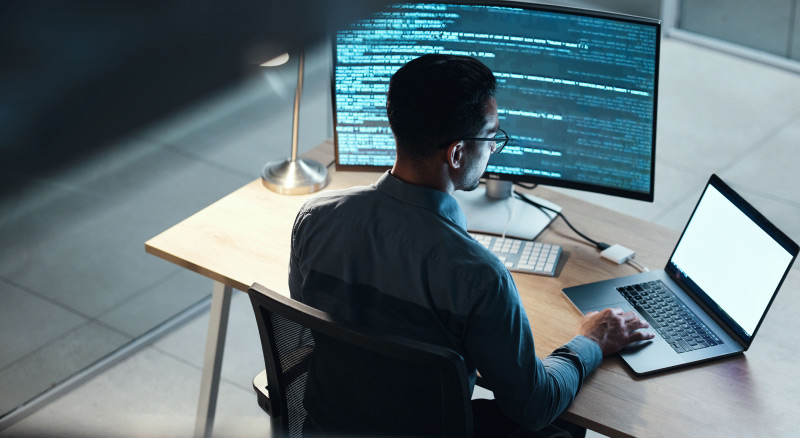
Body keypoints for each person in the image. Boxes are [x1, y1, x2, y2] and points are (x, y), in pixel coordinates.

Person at [288, 54, 654, 437]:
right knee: (560, 421)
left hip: (328, 426)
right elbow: (534, 405)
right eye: (492, 136)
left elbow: (311, 320)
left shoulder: (315, 218)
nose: (494, 146)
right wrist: (591, 340)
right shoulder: (479, 276)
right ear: (458, 153)